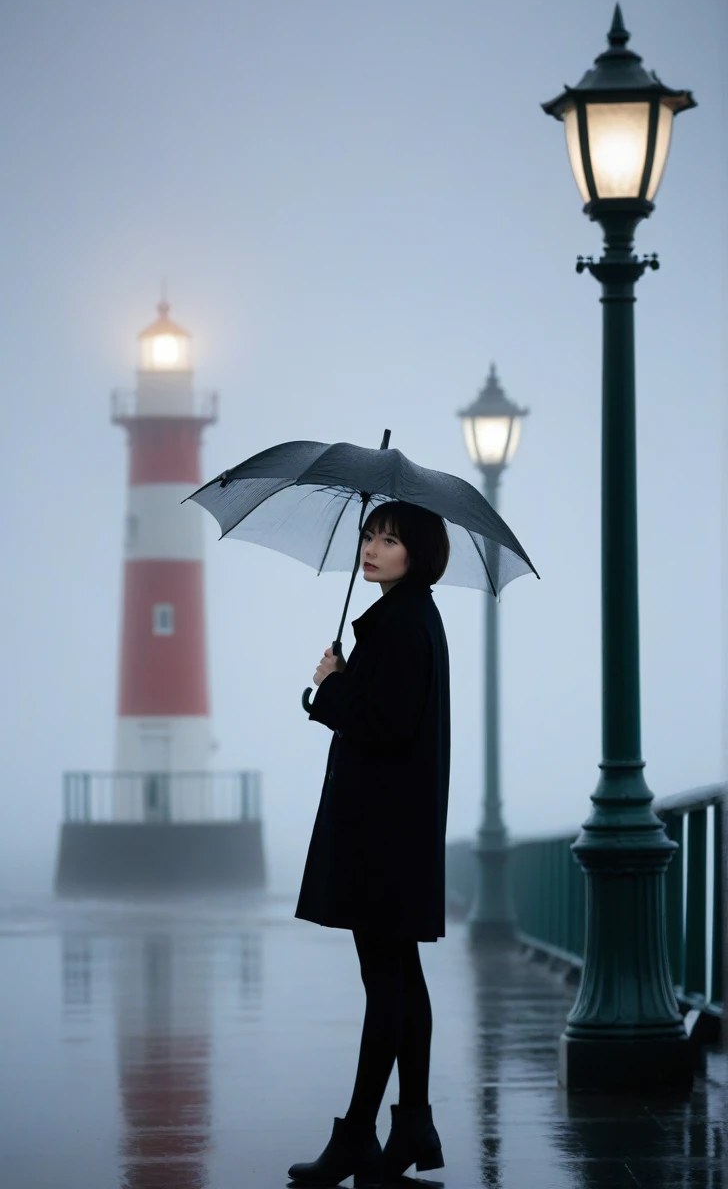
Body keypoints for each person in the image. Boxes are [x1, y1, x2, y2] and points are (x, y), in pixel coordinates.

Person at [288, 500, 451, 1187]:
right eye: (370, 536)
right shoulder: (403, 619)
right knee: (401, 978)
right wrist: (346, 679)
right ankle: (410, 1121)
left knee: (384, 982)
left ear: (417, 554)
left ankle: (359, 1135)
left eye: (390, 540)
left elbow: (383, 723)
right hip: (396, 829)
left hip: (384, 832)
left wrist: (328, 688)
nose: (373, 549)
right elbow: (391, 714)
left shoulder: (403, 622)